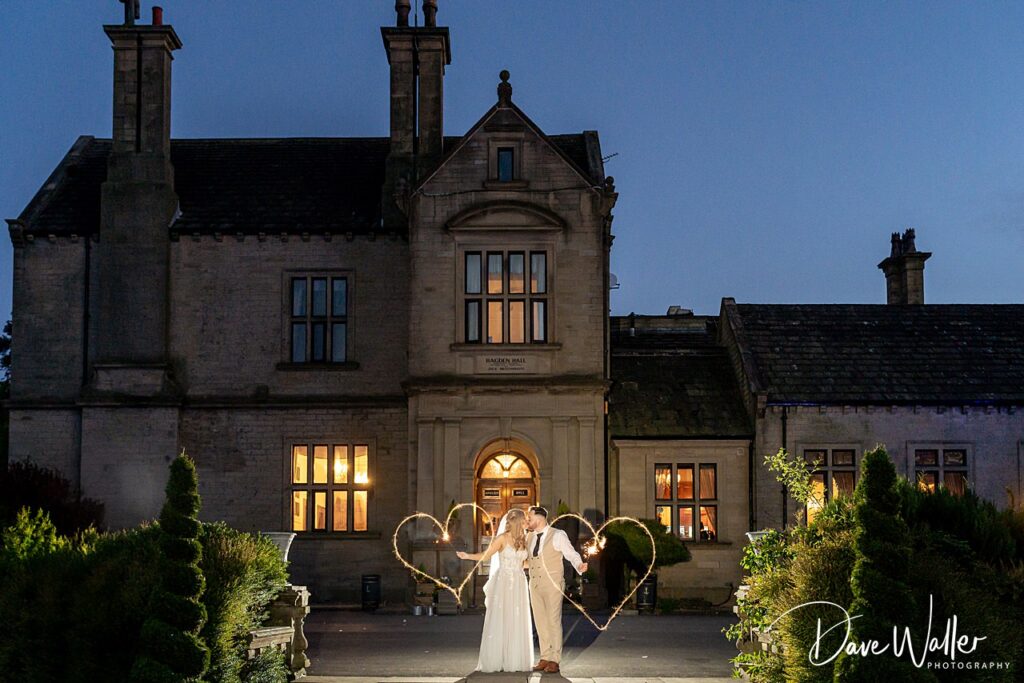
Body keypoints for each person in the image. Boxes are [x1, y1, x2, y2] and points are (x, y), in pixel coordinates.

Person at [455, 508, 534, 672]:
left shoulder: (524, 539)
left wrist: (539, 565)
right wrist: (468, 556)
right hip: (504, 582)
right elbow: (486, 555)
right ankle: (498, 658)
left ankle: (515, 659)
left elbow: (524, 563)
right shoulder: (502, 539)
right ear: (518, 521)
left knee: (517, 618)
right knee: (502, 617)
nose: (527, 522)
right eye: (524, 519)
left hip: (519, 582)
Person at [525, 505, 587, 674]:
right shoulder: (529, 536)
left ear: (539, 518)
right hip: (534, 584)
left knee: (553, 621)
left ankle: (554, 660)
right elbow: (528, 560)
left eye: (529, 518)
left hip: (552, 583)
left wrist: (579, 565)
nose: (527, 521)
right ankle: (545, 657)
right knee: (540, 621)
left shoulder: (558, 535)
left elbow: (571, 553)